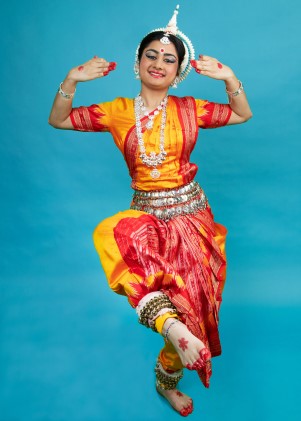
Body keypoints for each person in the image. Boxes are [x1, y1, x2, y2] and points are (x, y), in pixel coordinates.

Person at [49, 4, 252, 417]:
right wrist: (72, 79)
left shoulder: (190, 108)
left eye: (169, 59)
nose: (158, 63)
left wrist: (230, 78)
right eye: (151, 56)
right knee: (112, 236)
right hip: (147, 219)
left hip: (193, 220)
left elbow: (241, 113)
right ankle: (172, 327)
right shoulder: (117, 110)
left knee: (195, 306)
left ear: (178, 70)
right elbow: (60, 120)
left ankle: (167, 378)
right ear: (138, 62)